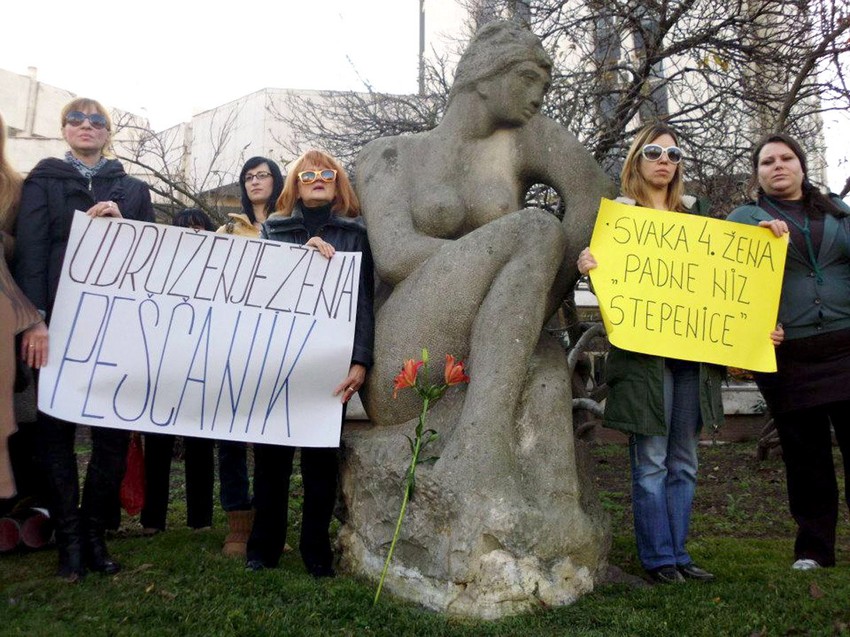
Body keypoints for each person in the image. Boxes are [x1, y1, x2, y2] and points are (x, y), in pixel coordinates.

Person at [355, 20, 612, 490]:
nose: (540, 96)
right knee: (534, 228)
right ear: (484, 75)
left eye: (547, 85)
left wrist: (536, 300)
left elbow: (594, 193)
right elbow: (394, 256)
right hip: (408, 355)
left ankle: (553, 518)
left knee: (546, 362)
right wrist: (505, 263)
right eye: (528, 79)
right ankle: (482, 443)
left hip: (493, 345)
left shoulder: (521, 142)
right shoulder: (389, 154)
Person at [577, 123, 734, 584]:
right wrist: (590, 267)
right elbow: (611, 292)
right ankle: (659, 559)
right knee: (652, 462)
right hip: (646, 361)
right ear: (636, 162)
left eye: (673, 153)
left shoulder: (698, 221)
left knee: (684, 460)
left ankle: (679, 554)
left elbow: (724, 278)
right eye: (654, 152)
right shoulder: (619, 222)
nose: (665, 160)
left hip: (693, 360)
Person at [14, 97, 155, 581]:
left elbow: (153, 259)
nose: (86, 126)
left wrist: (124, 229)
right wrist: (34, 320)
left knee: (112, 436)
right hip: (56, 325)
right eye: (76, 118)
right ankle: (69, 542)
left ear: (108, 132)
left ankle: (95, 536)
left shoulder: (134, 189)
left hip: (114, 327)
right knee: (55, 434)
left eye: (97, 120)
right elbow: (30, 253)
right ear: (64, 129)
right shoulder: (43, 181)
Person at [245, 149, 374, 576]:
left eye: (327, 173)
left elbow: (363, 302)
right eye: (308, 174)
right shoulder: (273, 230)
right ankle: (263, 548)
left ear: (337, 183)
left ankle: (315, 551)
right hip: (278, 363)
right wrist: (304, 260)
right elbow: (261, 295)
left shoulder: (356, 234)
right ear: (295, 184)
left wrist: (360, 359)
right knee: (271, 462)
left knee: (320, 463)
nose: (318, 179)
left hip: (329, 367)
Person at [728, 133, 850, 571]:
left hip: (845, 346)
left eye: (785, 158)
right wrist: (755, 239)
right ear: (757, 174)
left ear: (801, 165)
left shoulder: (836, 210)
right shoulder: (748, 215)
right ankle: (814, 550)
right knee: (806, 456)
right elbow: (722, 266)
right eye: (766, 162)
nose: (777, 166)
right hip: (789, 357)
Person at [216, 157, 284, 557]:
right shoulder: (226, 229)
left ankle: (268, 521)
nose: (255, 182)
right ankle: (238, 522)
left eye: (263, 175)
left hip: (277, 344)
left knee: (270, 436)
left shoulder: (293, 224)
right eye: (248, 177)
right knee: (231, 435)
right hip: (235, 342)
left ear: (277, 182)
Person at [141, 209, 217, 535]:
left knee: (200, 446)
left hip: (202, 368)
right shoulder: (159, 271)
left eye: (200, 229)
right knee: (157, 446)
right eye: (187, 229)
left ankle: (200, 519)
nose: (193, 235)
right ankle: (152, 519)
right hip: (164, 368)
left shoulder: (220, 274)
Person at [0, 111, 45, 500]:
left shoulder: (16, 187)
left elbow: (27, 252)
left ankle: (19, 506)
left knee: (15, 415)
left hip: (8, 318)